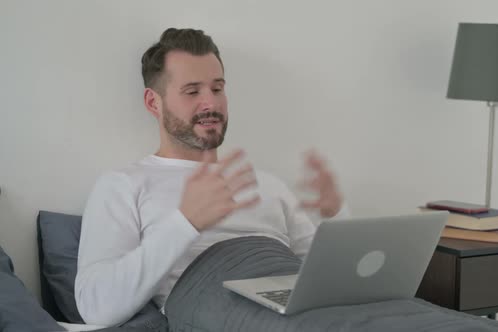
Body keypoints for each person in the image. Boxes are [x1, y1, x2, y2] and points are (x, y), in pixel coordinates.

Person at [74, 28, 350, 327]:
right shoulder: (124, 185)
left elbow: (335, 281)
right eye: (192, 91)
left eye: (217, 89)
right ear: (154, 103)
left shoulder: (268, 185)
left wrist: (335, 217)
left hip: (302, 311)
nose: (211, 104)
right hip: (221, 311)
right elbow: (96, 306)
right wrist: (185, 222)